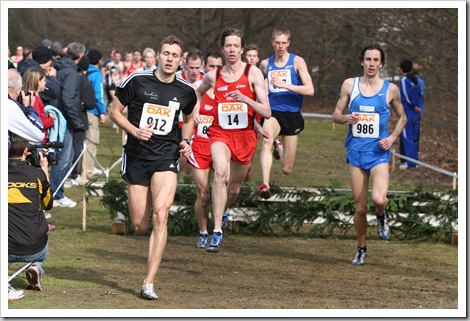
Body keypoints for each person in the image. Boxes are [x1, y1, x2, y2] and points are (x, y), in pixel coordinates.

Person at [109, 35, 196, 300]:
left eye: (174, 55)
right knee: (139, 225)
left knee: (161, 214)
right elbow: (113, 111)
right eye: (166, 53)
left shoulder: (186, 91)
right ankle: (142, 215)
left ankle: (149, 282)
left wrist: (185, 140)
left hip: (165, 158)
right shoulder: (136, 81)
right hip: (136, 157)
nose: (170, 59)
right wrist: (134, 130)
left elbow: (190, 117)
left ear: (181, 60)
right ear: (158, 55)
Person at [196, 28, 271, 253]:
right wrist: (199, 111)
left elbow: (266, 111)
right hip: (220, 133)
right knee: (220, 173)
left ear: (242, 49)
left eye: (236, 46)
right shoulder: (214, 75)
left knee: (235, 187)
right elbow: (198, 92)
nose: (231, 49)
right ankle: (216, 231)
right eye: (228, 45)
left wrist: (246, 99)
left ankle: (223, 211)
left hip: (245, 136)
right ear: (222, 48)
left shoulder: (253, 73)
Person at [332, 43, 407, 265]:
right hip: (355, 154)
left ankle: (382, 216)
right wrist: (346, 118)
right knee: (361, 208)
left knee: (378, 198)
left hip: (378, 154)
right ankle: (361, 248)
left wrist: (392, 137)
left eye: (375, 60)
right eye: (368, 59)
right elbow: (335, 114)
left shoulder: (390, 89)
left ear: (381, 64)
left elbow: (403, 117)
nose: (371, 64)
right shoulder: (349, 85)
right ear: (362, 62)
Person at [258, 27, 314, 199]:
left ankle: (279, 147)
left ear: (288, 43)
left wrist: (285, 85)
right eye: (277, 43)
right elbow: (257, 86)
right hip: (273, 113)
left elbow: (310, 90)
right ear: (272, 43)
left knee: (286, 169)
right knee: (266, 140)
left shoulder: (297, 62)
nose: (280, 46)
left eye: (283, 43)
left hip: (292, 115)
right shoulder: (265, 64)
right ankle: (265, 185)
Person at [187, 48, 224, 248]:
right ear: (205, 68)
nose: (216, 70)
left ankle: (221, 218)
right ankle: (203, 232)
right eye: (212, 66)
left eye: (219, 66)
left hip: (221, 144)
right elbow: (185, 116)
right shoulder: (196, 89)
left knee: (225, 187)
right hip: (200, 145)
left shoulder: (228, 91)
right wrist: (194, 115)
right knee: (203, 194)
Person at [8, 132, 53, 298]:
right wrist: (44, 168)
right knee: (40, 225)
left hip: (5, 247)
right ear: (26, 150)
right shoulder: (37, 174)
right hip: (34, 247)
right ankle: (36, 266)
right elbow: (47, 205)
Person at [50, 42, 86, 208]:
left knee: (64, 157)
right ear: (80, 56)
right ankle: (57, 195)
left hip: (57, 117)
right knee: (64, 159)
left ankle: (56, 192)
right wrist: (76, 120)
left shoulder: (59, 67)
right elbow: (68, 98)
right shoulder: (71, 72)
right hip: (63, 119)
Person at [68, 55, 96, 186]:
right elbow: (91, 103)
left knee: (69, 146)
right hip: (80, 117)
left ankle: (70, 173)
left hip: (68, 116)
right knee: (77, 147)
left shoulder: (70, 77)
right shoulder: (85, 81)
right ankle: (75, 173)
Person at [84, 48, 107, 180]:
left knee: (83, 142)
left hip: (80, 111)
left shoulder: (82, 70)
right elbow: (99, 94)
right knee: (92, 142)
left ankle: (81, 170)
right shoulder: (96, 74)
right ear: (99, 60)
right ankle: (87, 172)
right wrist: (102, 112)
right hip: (92, 111)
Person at [398, 59, 424, 170]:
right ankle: (414, 161)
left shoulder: (404, 80)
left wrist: (414, 106)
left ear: (402, 69)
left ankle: (409, 162)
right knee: (414, 137)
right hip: (416, 113)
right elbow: (420, 95)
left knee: (407, 137)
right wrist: (419, 106)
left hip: (408, 112)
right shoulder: (416, 80)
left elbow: (406, 95)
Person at [21, 68, 54, 143]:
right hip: (38, 140)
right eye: (44, 80)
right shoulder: (34, 100)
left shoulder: (32, 98)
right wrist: (51, 119)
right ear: (37, 82)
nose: (45, 83)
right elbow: (38, 123)